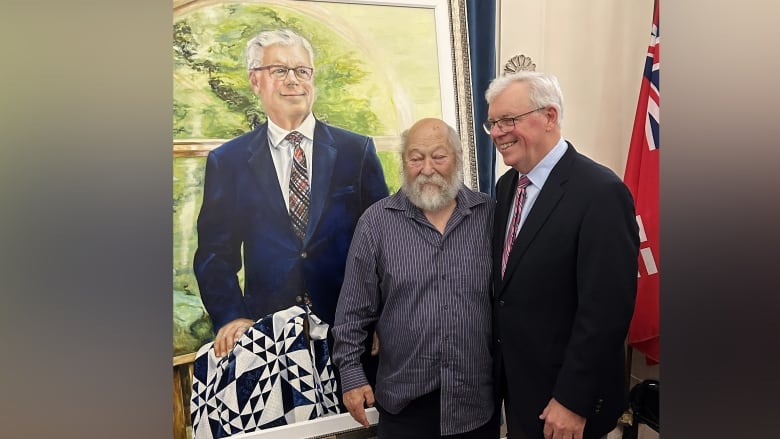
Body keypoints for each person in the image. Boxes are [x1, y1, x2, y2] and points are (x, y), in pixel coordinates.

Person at [193, 28, 389, 358]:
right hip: (267, 339)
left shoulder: (356, 151)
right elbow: (215, 255)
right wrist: (232, 316)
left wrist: (383, 317)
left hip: (355, 335)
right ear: (255, 80)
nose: (293, 80)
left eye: (302, 71)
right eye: (280, 70)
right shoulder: (228, 162)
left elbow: (387, 244)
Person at [484, 71, 639, 439]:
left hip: (568, 407)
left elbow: (607, 312)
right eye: (492, 122)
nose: (496, 132)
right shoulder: (507, 186)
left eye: (509, 120)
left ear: (550, 116)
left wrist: (572, 399)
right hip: (519, 395)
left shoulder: (601, 193)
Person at [332, 118, 499, 439]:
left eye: (438, 156)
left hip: (475, 406)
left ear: (457, 158)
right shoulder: (376, 223)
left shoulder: (489, 216)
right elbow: (353, 311)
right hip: (404, 407)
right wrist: (352, 374)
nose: (427, 168)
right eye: (415, 157)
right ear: (404, 163)